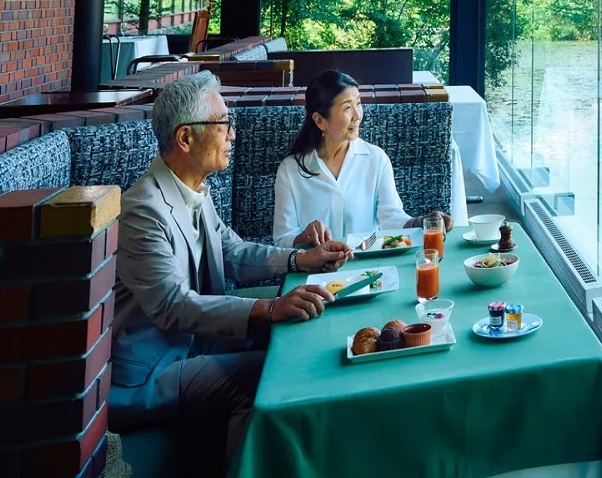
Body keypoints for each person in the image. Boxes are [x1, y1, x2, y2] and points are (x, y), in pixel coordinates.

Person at [110, 72, 352, 462]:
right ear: (186, 138)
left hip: (198, 343)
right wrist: (268, 308)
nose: (233, 135)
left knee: (300, 338)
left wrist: (299, 258)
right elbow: (174, 305)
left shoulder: (193, 189)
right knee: (265, 377)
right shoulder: (143, 210)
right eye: (223, 124)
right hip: (154, 369)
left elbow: (232, 251)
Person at [271, 69, 453, 247]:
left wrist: (422, 222)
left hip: (365, 263)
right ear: (320, 121)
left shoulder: (376, 159)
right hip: (317, 266)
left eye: (358, 103)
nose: (357, 116)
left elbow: (391, 219)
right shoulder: (290, 170)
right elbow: (282, 238)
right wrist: (304, 237)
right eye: (347, 107)